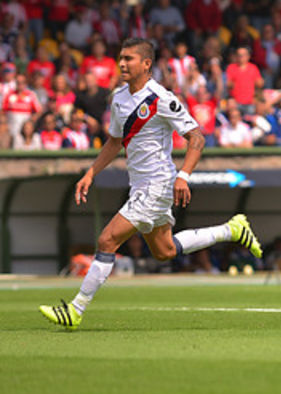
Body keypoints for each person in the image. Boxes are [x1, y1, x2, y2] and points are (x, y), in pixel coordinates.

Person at [39, 38, 261, 330]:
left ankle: (76, 309)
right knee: (165, 251)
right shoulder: (118, 98)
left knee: (107, 240)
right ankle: (232, 229)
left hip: (157, 184)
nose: (121, 64)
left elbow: (196, 137)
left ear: (146, 64)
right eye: (120, 58)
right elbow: (115, 141)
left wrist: (184, 176)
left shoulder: (162, 98)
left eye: (129, 58)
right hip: (139, 185)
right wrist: (91, 172)